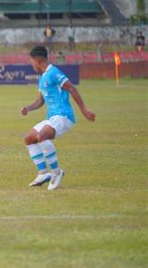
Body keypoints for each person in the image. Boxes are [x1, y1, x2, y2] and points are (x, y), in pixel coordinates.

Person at [21, 46, 95, 190]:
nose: (32, 64)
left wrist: (84, 110)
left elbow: (72, 88)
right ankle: (43, 173)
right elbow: (40, 101)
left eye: (32, 61)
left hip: (64, 116)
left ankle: (56, 172)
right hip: (52, 117)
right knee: (29, 138)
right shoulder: (42, 78)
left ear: (38, 60)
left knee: (41, 136)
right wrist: (28, 109)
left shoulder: (54, 72)